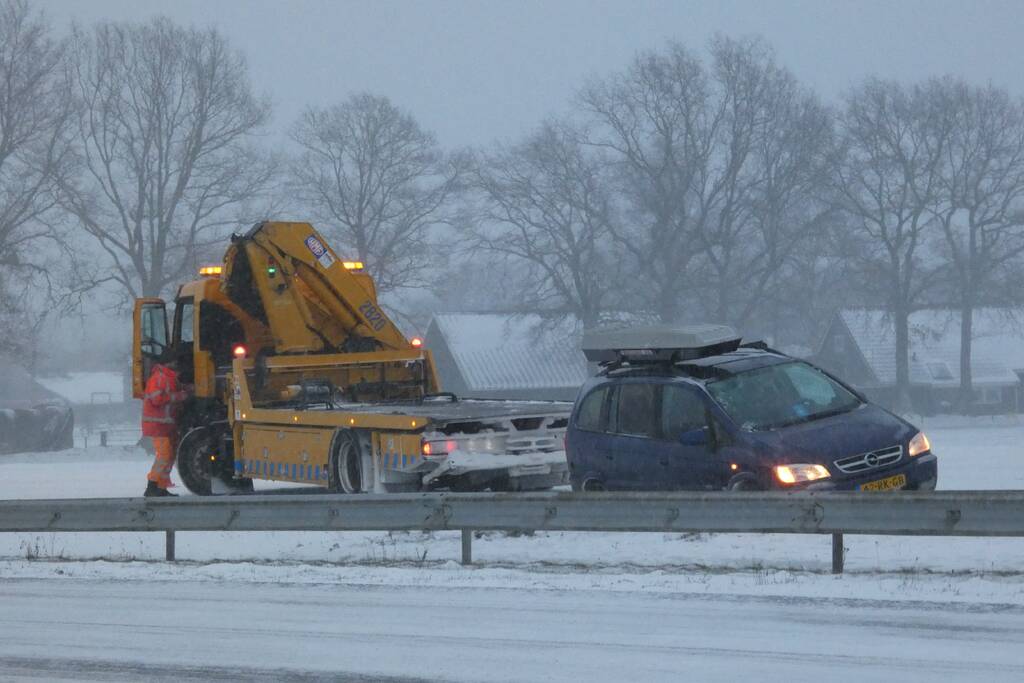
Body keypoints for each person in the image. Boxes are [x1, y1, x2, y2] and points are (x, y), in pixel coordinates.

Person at [142, 354, 189, 497]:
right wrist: (179, 396)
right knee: (164, 455)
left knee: (169, 456)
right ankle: (152, 485)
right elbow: (157, 400)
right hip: (157, 424)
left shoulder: (168, 378)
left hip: (165, 425)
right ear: (168, 363)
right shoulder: (159, 378)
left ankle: (160, 487)